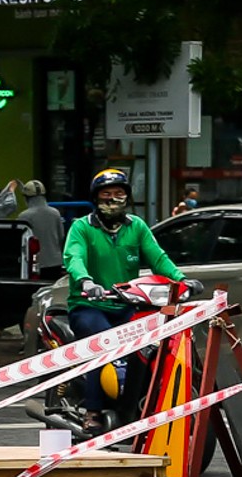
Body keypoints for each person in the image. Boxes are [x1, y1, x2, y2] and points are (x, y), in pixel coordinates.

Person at [62, 167, 193, 434]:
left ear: (127, 197)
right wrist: (86, 281)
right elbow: (73, 257)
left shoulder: (137, 227)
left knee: (150, 345)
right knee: (104, 343)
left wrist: (182, 280)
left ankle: (134, 404)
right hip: (89, 305)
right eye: (106, 194)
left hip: (127, 306)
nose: (112, 199)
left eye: (118, 194)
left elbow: (158, 258)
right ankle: (93, 411)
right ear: (95, 199)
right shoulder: (82, 228)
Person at [19, 180, 66, 280]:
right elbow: (61, 237)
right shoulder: (55, 213)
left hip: (34, 265)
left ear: (27, 198)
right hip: (55, 262)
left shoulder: (24, 216)